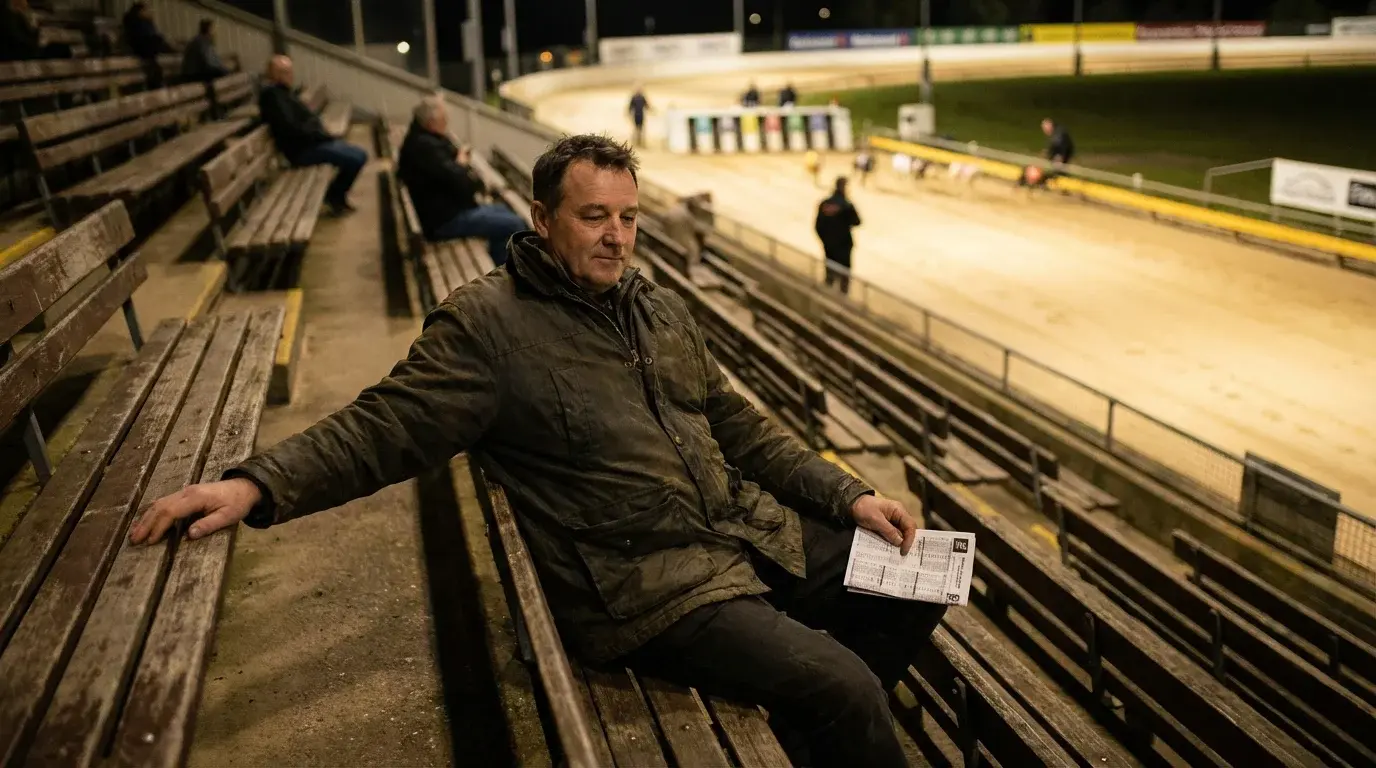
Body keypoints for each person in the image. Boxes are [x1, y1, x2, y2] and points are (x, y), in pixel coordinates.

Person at [129, 134, 943, 767]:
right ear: (542, 217)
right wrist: (253, 486)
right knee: (847, 688)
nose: (617, 237)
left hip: (734, 536)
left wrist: (846, 497)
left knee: (923, 574)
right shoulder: (488, 327)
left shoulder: (652, 307)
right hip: (651, 589)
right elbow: (383, 426)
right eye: (595, 217)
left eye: (628, 218)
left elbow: (737, 423)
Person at [397, 98, 525, 266]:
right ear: (430, 123)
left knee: (504, 210)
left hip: (444, 210)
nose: (447, 124)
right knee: (514, 224)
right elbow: (462, 183)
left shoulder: (421, 139)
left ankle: (502, 266)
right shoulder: (425, 148)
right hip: (443, 221)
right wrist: (462, 163)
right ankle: (505, 274)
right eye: (443, 120)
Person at [258, 55, 367, 216]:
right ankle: (335, 196)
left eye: (289, 71)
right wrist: (318, 133)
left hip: (312, 143)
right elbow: (291, 128)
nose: (290, 76)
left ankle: (336, 195)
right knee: (355, 159)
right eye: (284, 72)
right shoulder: (272, 97)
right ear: (274, 75)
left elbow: (305, 120)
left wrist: (318, 130)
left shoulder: (283, 93)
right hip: (302, 151)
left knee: (361, 154)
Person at [816, 176, 860, 294]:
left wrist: (825, 240)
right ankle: (841, 302)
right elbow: (857, 222)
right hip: (844, 246)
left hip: (829, 246)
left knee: (830, 274)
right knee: (844, 278)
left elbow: (817, 226)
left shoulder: (824, 203)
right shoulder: (847, 206)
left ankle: (826, 298)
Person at [181, 19, 230, 116]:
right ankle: (217, 111)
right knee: (218, 77)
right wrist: (224, 70)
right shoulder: (201, 41)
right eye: (213, 29)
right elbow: (208, 63)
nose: (215, 32)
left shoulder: (204, 41)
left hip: (199, 72)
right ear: (209, 29)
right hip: (193, 74)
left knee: (220, 77)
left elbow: (214, 61)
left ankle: (220, 108)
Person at [122, 1, 172, 89]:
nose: (149, 12)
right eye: (146, 10)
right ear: (140, 11)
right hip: (144, 53)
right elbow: (146, 39)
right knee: (154, 71)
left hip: (148, 53)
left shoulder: (144, 24)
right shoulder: (138, 24)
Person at [1, 0, 70, 61]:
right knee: (60, 49)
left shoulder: (12, 16)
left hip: (23, 49)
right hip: (21, 52)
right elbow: (20, 40)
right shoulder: (9, 17)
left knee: (60, 48)